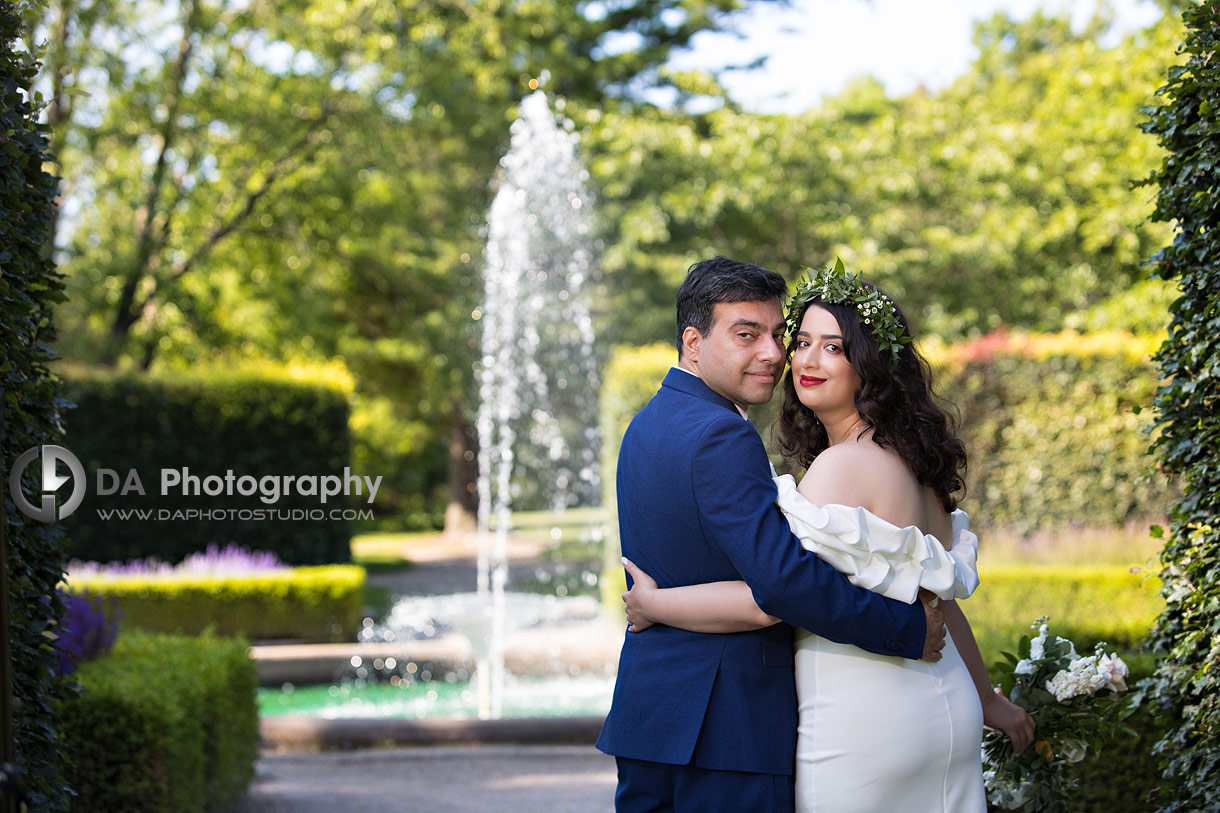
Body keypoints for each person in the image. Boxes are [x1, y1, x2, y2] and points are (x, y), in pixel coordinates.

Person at [620, 259, 1035, 812]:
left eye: (832, 347)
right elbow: (935, 597)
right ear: (693, 342)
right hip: (938, 702)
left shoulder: (648, 424)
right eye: (800, 341)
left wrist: (654, 603)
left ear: (870, 365)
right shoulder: (916, 465)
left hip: (858, 710)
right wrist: (986, 700)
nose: (785, 356)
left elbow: (779, 593)